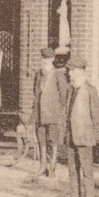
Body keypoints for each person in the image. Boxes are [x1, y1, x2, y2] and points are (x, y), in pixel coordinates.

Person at [26, 48, 71, 178]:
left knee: (53, 141)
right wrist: (33, 113)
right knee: (41, 140)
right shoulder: (38, 74)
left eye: (47, 58)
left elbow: (63, 94)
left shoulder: (58, 74)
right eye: (43, 58)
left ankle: (52, 167)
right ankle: (42, 167)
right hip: (40, 114)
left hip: (52, 114)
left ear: (52, 59)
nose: (44, 61)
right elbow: (35, 94)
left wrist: (59, 109)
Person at [64, 57, 99, 197]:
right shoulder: (71, 89)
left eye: (71, 71)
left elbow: (96, 115)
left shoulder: (90, 90)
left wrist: (91, 134)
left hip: (84, 137)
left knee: (87, 170)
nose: (69, 73)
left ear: (78, 72)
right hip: (71, 135)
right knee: (72, 169)